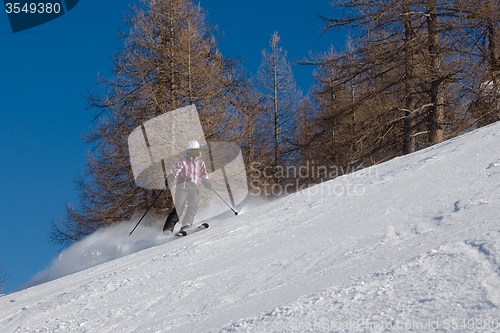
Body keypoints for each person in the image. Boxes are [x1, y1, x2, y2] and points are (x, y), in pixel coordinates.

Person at [163, 140, 213, 234]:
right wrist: (171, 176)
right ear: (187, 151)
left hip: (194, 187)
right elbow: (175, 170)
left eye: (195, 151)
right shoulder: (183, 161)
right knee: (179, 208)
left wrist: (206, 182)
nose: (193, 153)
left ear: (198, 151)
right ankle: (167, 230)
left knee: (193, 206)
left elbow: (203, 175)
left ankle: (186, 225)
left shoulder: (201, 163)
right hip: (183, 187)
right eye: (191, 151)